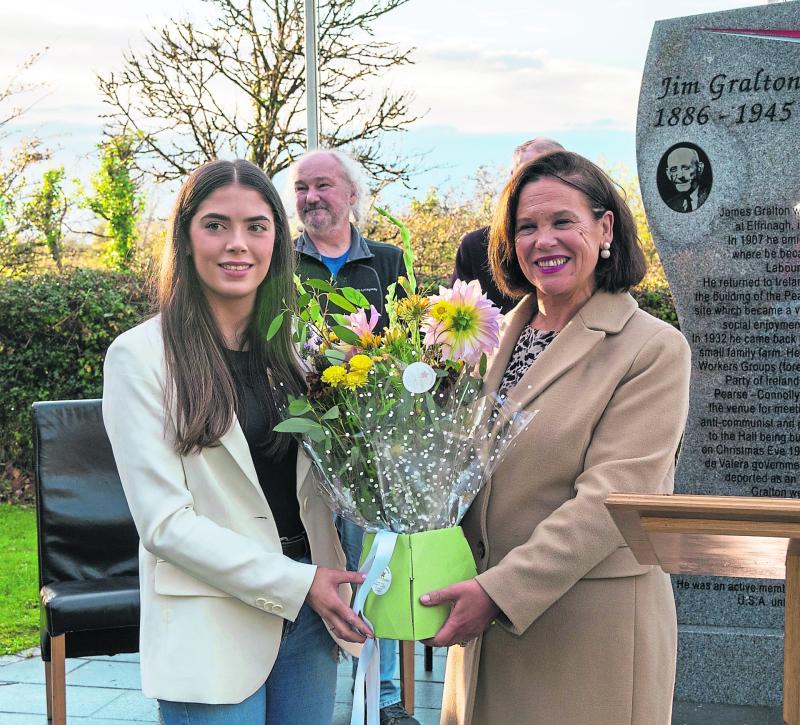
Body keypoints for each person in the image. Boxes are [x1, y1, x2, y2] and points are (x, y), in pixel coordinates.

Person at [423, 151, 691, 724]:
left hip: (589, 636)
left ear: (605, 228)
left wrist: (498, 593)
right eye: (526, 226)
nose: (544, 240)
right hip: (481, 636)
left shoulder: (652, 349)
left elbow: (611, 500)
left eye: (562, 221)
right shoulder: (492, 339)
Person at [102, 159, 371, 725]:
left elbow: (329, 480)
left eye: (256, 226)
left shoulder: (300, 351)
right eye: (215, 224)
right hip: (214, 624)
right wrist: (300, 584)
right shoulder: (140, 357)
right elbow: (164, 525)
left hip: (311, 619)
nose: (237, 245)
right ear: (185, 235)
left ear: (277, 236)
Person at [288, 148, 418, 725]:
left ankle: (382, 695)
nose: (311, 198)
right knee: (313, 561)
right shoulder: (278, 261)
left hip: (369, 448)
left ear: (351, 196)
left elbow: (414, 342)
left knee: (371, 566)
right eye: (300, 189)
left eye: (322, 186)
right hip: (295, 443)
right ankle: (307, 684)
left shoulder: (388, 263)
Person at [451, 137, 564, 313]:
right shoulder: (475, 247)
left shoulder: (587, 242)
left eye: (549, 173)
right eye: (525, 175)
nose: (544, 242)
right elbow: (453, 322)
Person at [664, 145, 709, 212]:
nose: (679, 176)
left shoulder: (710, 196)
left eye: (685, 168)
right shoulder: (671, 205)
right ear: (668, 174)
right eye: (673, 170)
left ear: (700, 168)